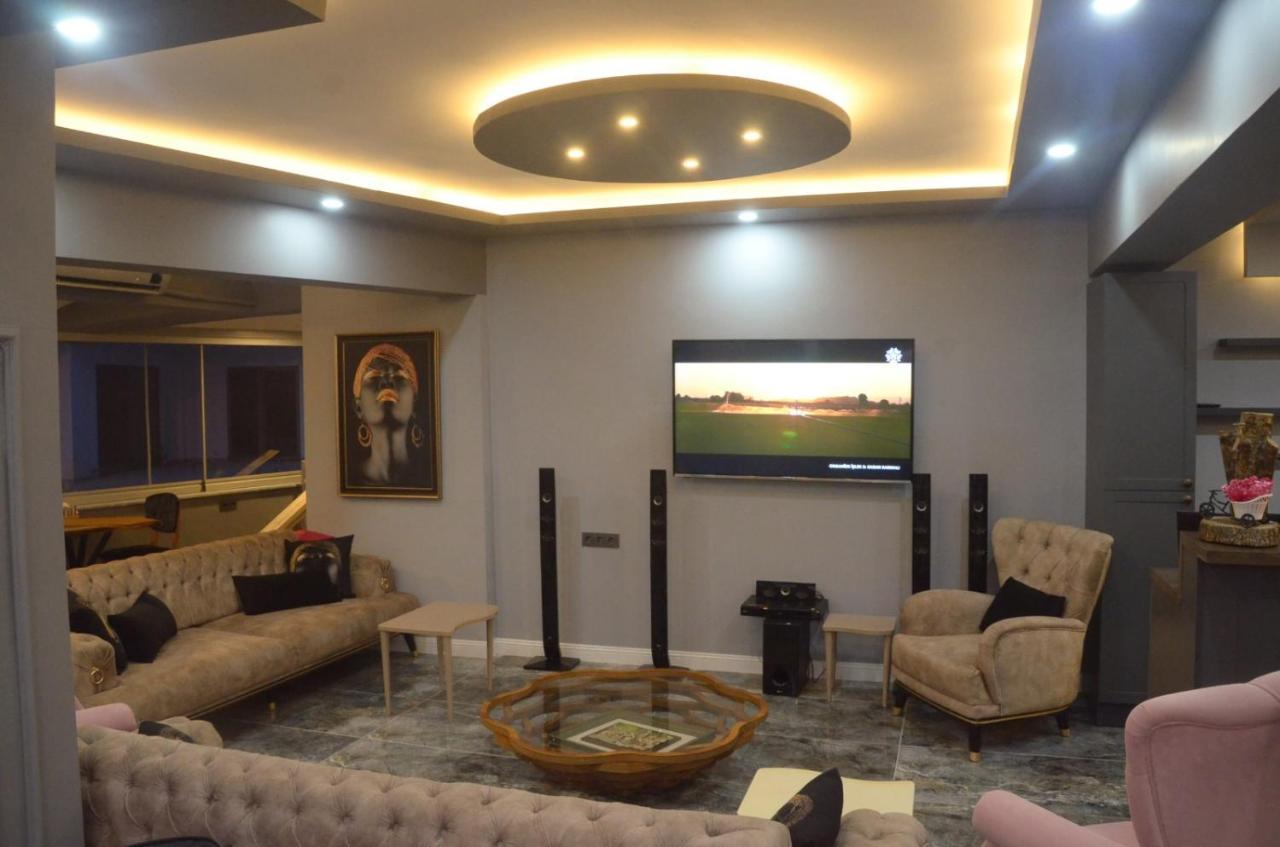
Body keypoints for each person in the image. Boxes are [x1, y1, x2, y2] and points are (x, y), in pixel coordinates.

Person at [350, 343, 428, 485]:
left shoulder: (425, 477)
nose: (387, 382)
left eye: (399, 377)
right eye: (374, 377)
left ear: (415, 405)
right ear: (358, 408)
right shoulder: (351, 479)